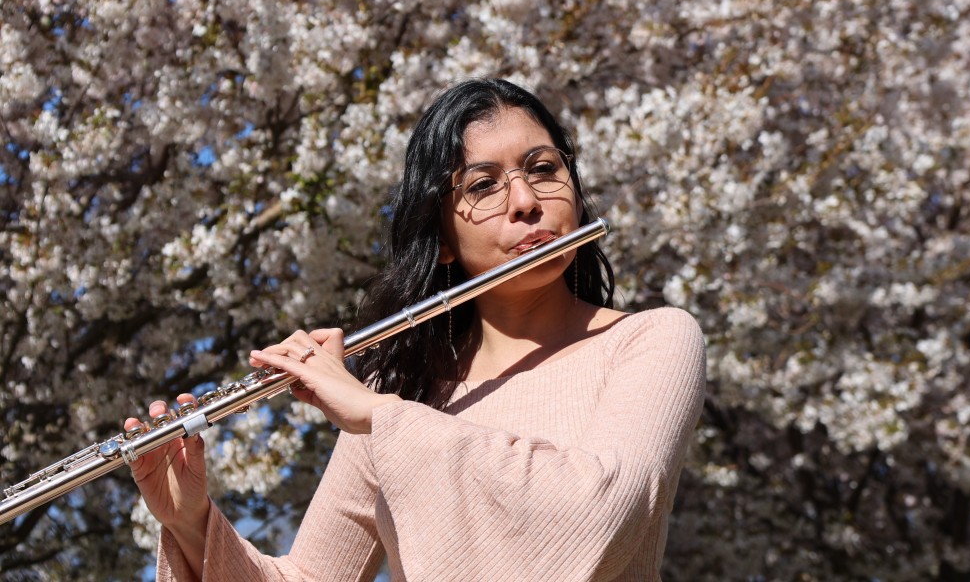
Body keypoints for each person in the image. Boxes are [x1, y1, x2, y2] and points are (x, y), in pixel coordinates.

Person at [127, 78, 706, 581]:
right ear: (443, 242)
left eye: (544, 170)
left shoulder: (652, 340)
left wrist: (378, 414)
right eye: (482, 186)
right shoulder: (401, 386)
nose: (526, 202)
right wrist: (191, 522)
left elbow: (601, 512)